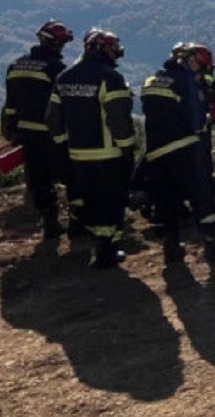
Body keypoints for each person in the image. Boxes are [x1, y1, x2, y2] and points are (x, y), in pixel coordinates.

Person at [46, 29, 137, 268]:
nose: (115, 54)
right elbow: (119, 120)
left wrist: (63, 145)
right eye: (112, 49)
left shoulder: (64, 78)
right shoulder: (111, 78)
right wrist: (128, 149)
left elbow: (52, 119)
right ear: (100, 49)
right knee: (111, 203)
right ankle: (107, 252)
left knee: (91, 200)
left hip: (77, 154)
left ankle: (94, 240)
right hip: (109, 154)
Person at [141, 42, 215, 261]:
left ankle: (171, 250)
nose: (200, 71)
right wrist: (210, 117)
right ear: (186, 59)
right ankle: (213, 247)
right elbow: (197, 122)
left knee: (166, 202)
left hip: (156, 152)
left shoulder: (151, 80)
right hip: (186, 151)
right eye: (200, 66)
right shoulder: (186, 82)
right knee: (203, 198)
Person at [1, 20, 78, 238]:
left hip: (26, 133)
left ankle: (49, 222)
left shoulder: (15, 66)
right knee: (68, 174)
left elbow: (10, 104)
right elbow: (63, 104)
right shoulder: (56, 69)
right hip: (52, 133)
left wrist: (11, 130)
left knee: (38, 178)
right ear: (57, 44)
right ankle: (76, 220)